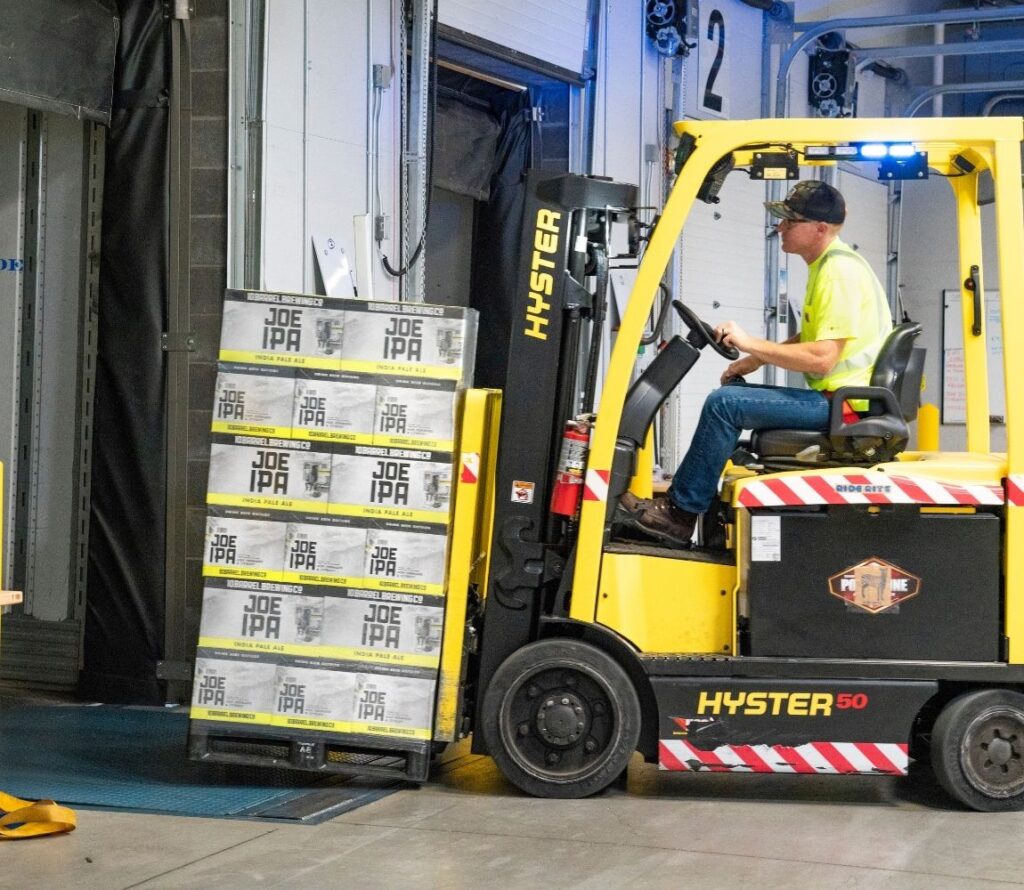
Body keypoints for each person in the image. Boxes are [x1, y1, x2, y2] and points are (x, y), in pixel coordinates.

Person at [624, 180, 892, 546]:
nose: (780, 227)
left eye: (790, 220)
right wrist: (751, 360)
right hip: (842, 401)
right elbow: (813, 335)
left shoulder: (838, 273)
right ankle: (691, 506)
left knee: (724, 404)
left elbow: (822, 358)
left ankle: (680, 515)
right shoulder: (830, 265)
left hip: (845, 407)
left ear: (820, 228)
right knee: (732, 395)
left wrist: (749, 341)